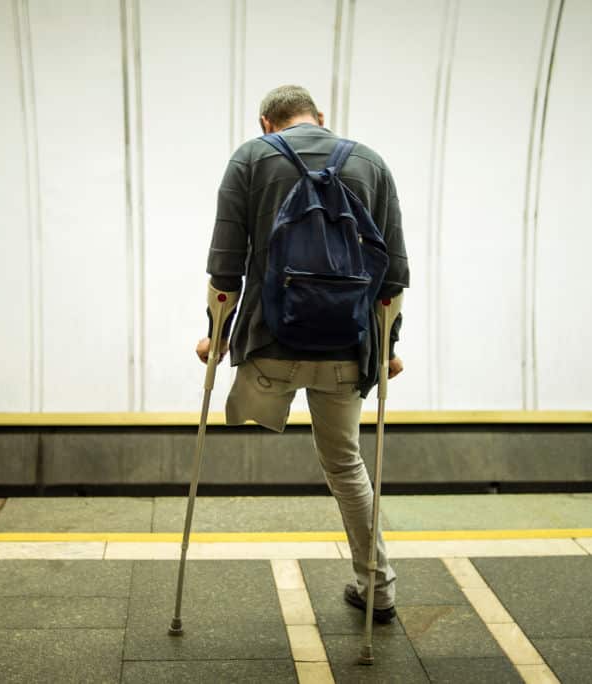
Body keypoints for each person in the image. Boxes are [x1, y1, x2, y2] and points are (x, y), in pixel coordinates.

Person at [197, 84, 410, 622]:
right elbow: (394, 275)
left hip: (271, 344)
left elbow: (226, 266)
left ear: (267, 123)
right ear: (321, 118)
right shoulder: (369, 162)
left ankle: (253, 409)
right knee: (345, 464)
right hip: (347, 346)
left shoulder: (250, 156)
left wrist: (216, 336)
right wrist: (388, 349)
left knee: (245, 410)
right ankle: (378, 590)